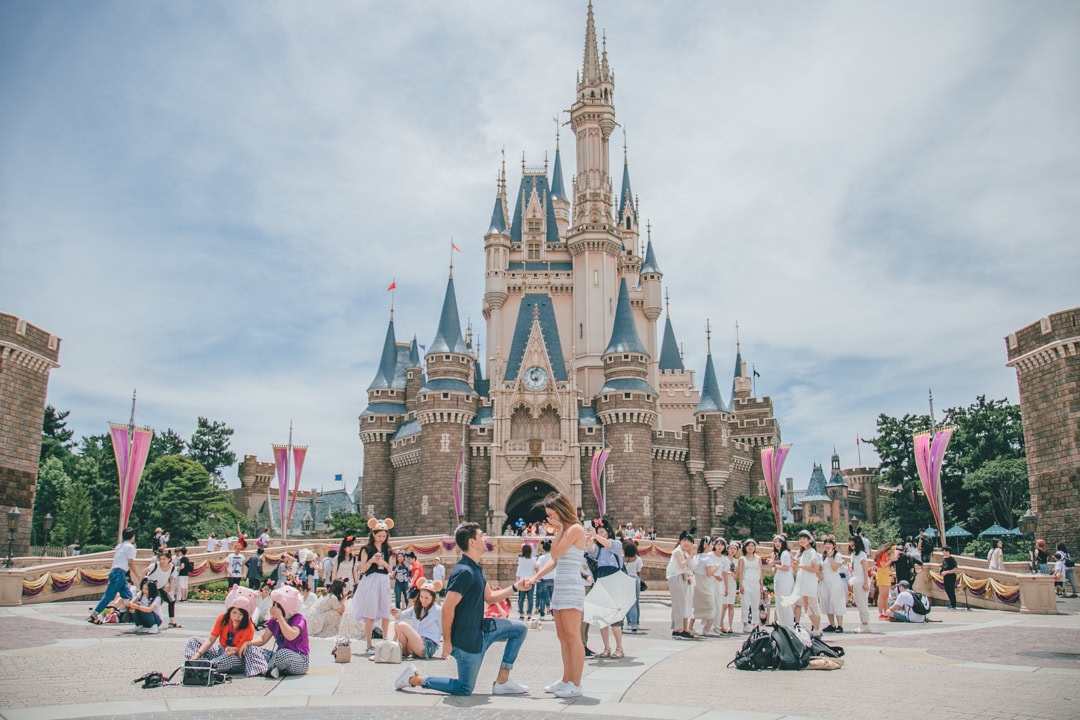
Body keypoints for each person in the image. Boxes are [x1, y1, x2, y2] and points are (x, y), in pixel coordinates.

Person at [395, 521, 530, 697]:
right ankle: (416, 679)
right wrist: (448, 642)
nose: (486, 538)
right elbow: (447, 608)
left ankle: (503, 681)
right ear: (472, 542)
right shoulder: (464, 572)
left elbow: (489, 597)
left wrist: (516, 587)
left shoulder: (476, 567)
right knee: (465, 688)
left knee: (520, 629)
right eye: (482, 535)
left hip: (483, 630)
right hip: (467, 641)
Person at [530, 492, 588, 697]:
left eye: (551, 514)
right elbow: (554, 561)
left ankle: (576, 683)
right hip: (560, 586)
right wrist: (535, 577)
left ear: (560, 510)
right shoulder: (564, 531)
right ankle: (566, 679)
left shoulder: (574, 529)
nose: (549, 519)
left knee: (573, 636)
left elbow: (554, 553)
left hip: (572, 586)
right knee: (563, 636)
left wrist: (559, 529)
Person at [185, 586, 262, 675]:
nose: (236, 617)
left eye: (241, 614)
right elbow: (211, 640)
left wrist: (234, 650)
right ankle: (192, 662)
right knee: (193, 640)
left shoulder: (248, 626)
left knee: (229, 660)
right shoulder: (222, 618)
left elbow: (242, 650)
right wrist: (197, 654)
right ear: (229, 611)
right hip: (222, 649)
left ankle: (206, 667)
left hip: (236, 656)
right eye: (234, 613)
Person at [242, 584, 311, 678]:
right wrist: (248, 643)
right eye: (273, 604)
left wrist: (280, 617)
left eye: (277, 605)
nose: (274, 607)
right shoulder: (274, 620)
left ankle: (266, 669)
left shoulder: (299, 618)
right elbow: (263, 639)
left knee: (283, 653)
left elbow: (291, 635)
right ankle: (269, 670)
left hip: (298, 659)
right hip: (277, 657)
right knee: (251, 649)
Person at [353, 518, 395, 656]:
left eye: (384, 536)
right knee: (370, 612)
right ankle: (369, 643)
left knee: (385, 610)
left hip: (383, 579)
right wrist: (372, 560)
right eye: (379, 536)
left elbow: (390, 570)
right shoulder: (366, 549)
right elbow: (363, 569)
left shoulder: (388, 550)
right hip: (371, 579)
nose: (381, 538)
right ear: (373, 534)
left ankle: (385, 640)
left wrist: (382, 562)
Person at [585, 519, 625, 658]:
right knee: (602, 615)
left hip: (613, 578)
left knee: (614, 615)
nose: (601, 533)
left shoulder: (616, 544)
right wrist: (590, 539)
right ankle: (606, 647)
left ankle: (619, 647)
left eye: (603, 531)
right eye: (599, 531)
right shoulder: (600, 550)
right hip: (601, 579)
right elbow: (591, 551)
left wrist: (595, 536)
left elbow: (608, 544)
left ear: (608, 532)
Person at [89, 527, 141, 624]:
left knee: (128, 595)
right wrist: (137, 575)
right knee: (109, 595)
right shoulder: (130, 547)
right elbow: (131, 562)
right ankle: (95, 614)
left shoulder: (120, 546)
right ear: (133, 536)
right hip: (119, 573)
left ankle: (138, 615)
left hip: (117, 572)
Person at [390, 579, 444, 659]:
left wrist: (445, 651)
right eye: (421, 597)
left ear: (433, 598)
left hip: (428, 645)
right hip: (416, 642)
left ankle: (391, 652)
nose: (423, 600)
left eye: (426, 598)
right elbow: (400, 615)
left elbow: (446, 628)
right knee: (394, 624)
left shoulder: (438, 610)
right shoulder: (417, 608)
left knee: (402, 625)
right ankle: (394, 651)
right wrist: (394, 612)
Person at [782, 530, 822, 637]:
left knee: (813, 603)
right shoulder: (802, 553)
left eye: (804, 538)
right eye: (800, 539)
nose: (802, 541)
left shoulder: (812, 552)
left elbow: (815, 569)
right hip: (802, 580)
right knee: (806, 605)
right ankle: (814, 626)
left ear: (809, 540)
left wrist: (801, 566)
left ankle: (817, 628)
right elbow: (795, 566)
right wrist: (795, 564)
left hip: (810, 580)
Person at [666, 531, 695, 638]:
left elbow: (689, 567)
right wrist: (691, 555)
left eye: (689, 541)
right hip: (675, 578)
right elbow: (682, 565)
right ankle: (678, 629)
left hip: (682, 578)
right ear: (680, 541)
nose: (686, 543)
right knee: (678, 604)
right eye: (684, 541)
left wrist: (687, 577)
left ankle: (680, 627)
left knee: (681, 604)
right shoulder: (677, 551)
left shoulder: (685, 552)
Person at [145, 550, 180, 629]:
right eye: (160, 559)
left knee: (171, 601)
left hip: (159, 587)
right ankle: (147, 622)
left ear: (169, 559)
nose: (162, 561)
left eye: (164, 559)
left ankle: (172, 622)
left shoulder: (172, 567)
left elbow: (171, 579)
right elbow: (144, 571)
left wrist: (171, 591)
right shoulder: (155, 565)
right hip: (150, 587)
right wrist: (141, 584)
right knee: (150, 603)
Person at [690, 537, 717, 637]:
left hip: (696, 582)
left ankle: (690, 627)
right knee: (711, 606)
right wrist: (716, 568)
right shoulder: (708, 557)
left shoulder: (696, 556)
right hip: (705, 584)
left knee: (696, 607)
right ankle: (707, 629)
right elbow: (709, 573)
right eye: (711, 544)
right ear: (707, 546)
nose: (712, 546)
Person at [819, 536, 846, 633]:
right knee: (826, 601)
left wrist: (830, 557)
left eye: (829, 544)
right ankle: (832, 624)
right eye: (826, 544)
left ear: (833, 546)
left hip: (834, 580)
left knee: (836, 601)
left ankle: (840, 625)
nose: (827, 546)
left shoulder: (837, 555)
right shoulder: (823, 556)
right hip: (824, 581)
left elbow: (834, 568)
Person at [738, 538, 764, 634]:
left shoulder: (758, 558)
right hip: (746, 581)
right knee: (745, 603)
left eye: (752, 546)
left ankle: (756, 623)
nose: (750, 548)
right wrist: (740, 584)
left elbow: (761, 572)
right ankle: (745, 623)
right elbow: (740, 573)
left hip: (755, 582)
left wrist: (761, 585)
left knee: (755, 603)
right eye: (748, 546)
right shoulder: (742, 559)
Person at [849, 533, 873, 631]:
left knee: (863, 602)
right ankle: (863, 623)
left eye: (852, 541)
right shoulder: (853, 554)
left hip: (862, 579)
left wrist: (866, 583)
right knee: (859, 602)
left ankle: (865, 624)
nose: (850, 544)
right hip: (856, 579)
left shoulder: (862, 554)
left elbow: (865, 569)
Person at [771, 534, 795, 629]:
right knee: (779, 602)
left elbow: (786, 567)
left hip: (785, 579)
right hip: (779, 579)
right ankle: (782, 623)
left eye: (779, 542)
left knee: (785, 601)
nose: (777, 544)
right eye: (775, 542)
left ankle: (789, 623)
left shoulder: (785, 553)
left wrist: (774, 564)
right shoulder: (778, 554)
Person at [623, 540, 643, 633]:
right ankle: (634, 624)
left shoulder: (622, 558)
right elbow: (638, 572)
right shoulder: (638, 559)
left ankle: (623, 623)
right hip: (635, 580)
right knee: (634, 603)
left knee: (624, 603)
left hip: (625, 579)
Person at [514, 543, 537, 620]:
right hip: (530, 580)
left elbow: (519, 569)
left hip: (522, 580)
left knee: (521, 598)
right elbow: (536, 567)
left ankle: (521, 613)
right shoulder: (533, 559)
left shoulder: (520, 559)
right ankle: (529, 613)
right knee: (530, 598)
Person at [874, 544, 895, 619]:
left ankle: (886, 612)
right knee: (882, 595)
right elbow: (883, 565)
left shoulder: (887, 555)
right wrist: (891, 560)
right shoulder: (882, 555)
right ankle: (880, 613)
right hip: (882, 574)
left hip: (885, 574)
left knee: (886, 596)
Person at [534, 540, 553, 618]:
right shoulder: (553, 556)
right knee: (553, 597)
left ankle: (542, 614)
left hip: (544, 578)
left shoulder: (541, 558)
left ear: (543, 549)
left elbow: (536, 567)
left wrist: (538, 575)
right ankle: (553, 615)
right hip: (552, 578)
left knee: (542, 597)